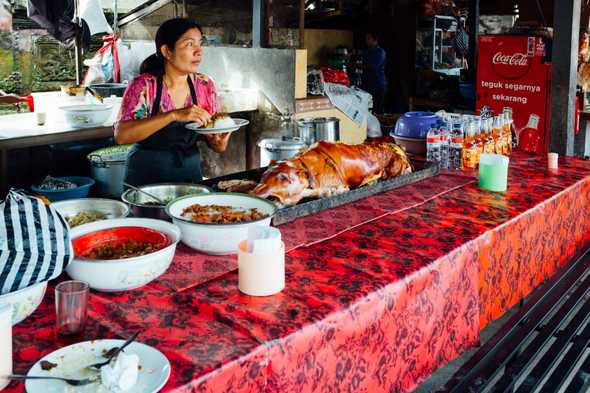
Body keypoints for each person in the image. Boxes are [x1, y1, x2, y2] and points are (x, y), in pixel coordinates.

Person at [115, 17, 231, 185]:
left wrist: (218, 142)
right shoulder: (144, 86)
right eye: (190, 44)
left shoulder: (205, 85)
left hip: (189, 174)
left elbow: (217, 145)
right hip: (146, 177)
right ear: (167, 51)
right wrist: (173, 115)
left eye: (200, 43)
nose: (199, 51)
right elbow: (122, 135)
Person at [362, 31, 387, 114]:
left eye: (369, 38)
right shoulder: (366, 51)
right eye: (366, 38)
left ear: (375, 40)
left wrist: (356, 65)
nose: (366, 40)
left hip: (378, 85)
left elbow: (372, 66)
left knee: (377, 110)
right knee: (368, 109)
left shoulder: (380, 52)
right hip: (367, 84)